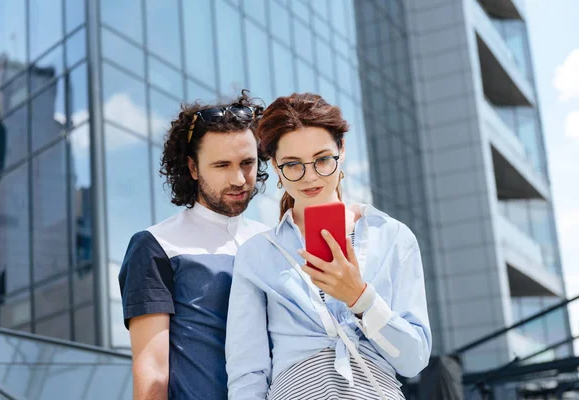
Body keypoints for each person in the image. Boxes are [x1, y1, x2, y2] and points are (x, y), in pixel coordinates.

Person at [225, 93, 432, 399]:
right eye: (293, 165)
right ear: (275, 165)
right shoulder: (257, 254)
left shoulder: (391, 237)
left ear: (342, 150)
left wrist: (360, 299)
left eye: (322, 159)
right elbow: (247, 373)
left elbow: (413, 360)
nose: (310, 177)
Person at [118, 91, 269, 400]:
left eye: (247, 163)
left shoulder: (276, 243)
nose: (239, 179)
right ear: (193, 168)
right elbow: (152, 373)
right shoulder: (156, 245)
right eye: (222, 165)